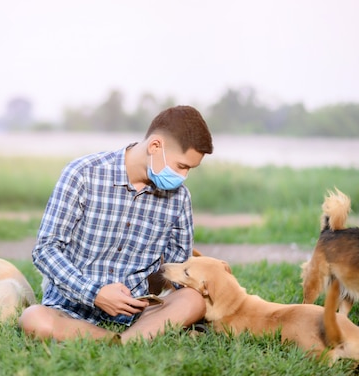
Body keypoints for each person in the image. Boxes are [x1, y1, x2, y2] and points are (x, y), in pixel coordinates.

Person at [18, 105, 214, 343]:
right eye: (181, 166)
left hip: (138, 312)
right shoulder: (82, 174)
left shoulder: (179, 198)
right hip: (71, 307)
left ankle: (122, 340)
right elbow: (45, 249)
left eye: (189, 170)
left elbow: (177, 269)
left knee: (192, 301)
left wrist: (205, 288)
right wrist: (95, 293)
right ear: (155, 146)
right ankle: (126, 340)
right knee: (33, 319)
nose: (183, 177)